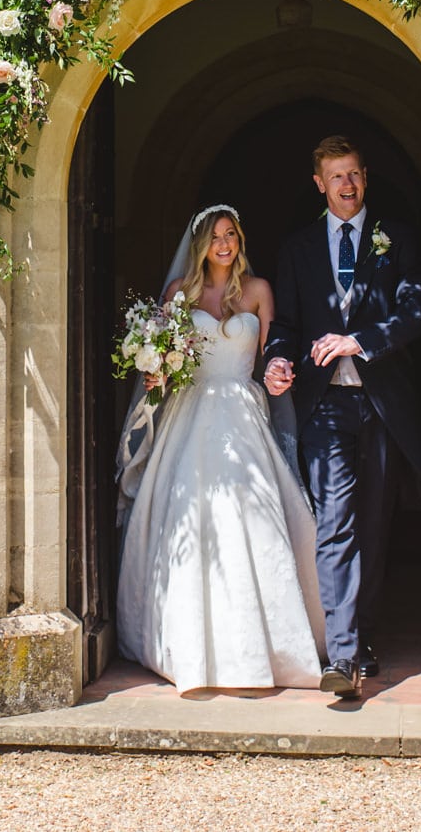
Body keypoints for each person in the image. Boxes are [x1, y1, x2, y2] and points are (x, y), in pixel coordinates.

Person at [115, 205, 326, 692]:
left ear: (240, 239)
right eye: (215, 237)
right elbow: (164, 356)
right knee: (193, 523)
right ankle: (192, 647)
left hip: (244, 413)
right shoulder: (178, 294)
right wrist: (156, 370)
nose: (225, 244)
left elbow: (276, 350)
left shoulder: (257, 292)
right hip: (190, 415)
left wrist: (278, 371)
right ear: (201, 246)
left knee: (257, 521)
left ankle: (269, 647)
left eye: (231, 235)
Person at [264, 136, 421, 699]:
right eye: (336, 177)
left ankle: (360, 637)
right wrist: (276, 361)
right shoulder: (297, 249)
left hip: (381, 403)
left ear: (365, 177)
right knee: (336, 522)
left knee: (375, 524)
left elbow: (415, 313)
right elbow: (284, 323)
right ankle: (342, 657)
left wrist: (358, 340)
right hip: (325, 404)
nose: (347, 185)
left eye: (354, 174)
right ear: (319, 184)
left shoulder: (397, 239)